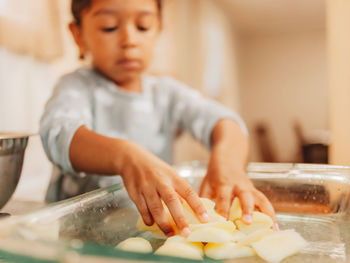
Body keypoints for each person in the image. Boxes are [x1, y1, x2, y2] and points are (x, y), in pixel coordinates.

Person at [40, 0, 278, 237]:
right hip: (78, 241)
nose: (129, 40)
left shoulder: (167, 93)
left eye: (143, 26)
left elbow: (225, 121)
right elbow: (58, 135)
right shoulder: (77, 87)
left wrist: (228, 164)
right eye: (109, 27)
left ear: (159, 31)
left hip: (150, 237)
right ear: (78, 34)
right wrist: (125, 156)